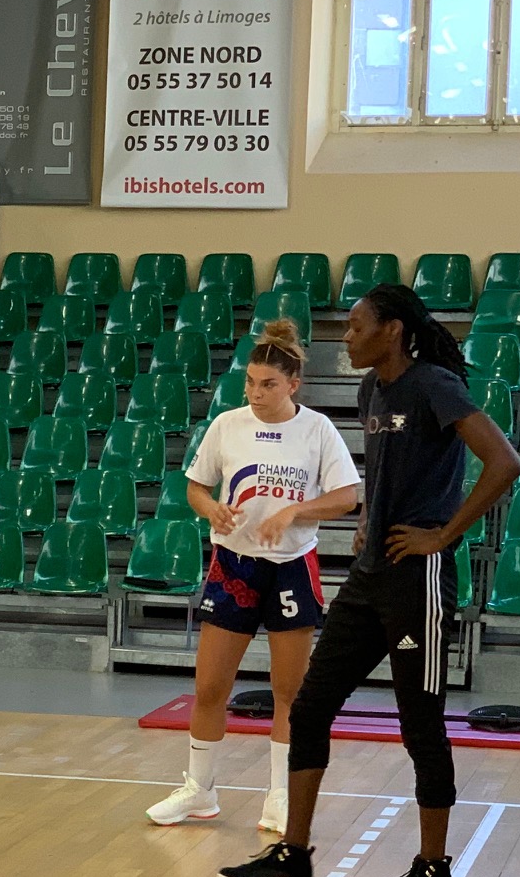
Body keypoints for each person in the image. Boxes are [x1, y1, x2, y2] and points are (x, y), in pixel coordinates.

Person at [220, 284, 520, 877]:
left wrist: (443, 534)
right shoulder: (370, 391)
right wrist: (369, 518)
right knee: (310, 707)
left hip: (419, 577)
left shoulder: (435, 384)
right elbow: (387, 471)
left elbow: (504, 461)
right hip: (370, 574)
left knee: (421, 724)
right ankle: (294, 854)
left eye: (358, 327)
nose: (347, 337)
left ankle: (433, 870)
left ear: (393, 331)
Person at [148, 320, 361, 834]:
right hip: (234, 565)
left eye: (268, 384)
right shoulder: (227, 425)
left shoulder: (317, 430)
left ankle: (279, 797)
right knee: (209, 687)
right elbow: (196, 487)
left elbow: (347, 496)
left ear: (293, 385)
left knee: (289, 691)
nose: (255, 392)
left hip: (291, 567)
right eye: (250, 382)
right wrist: (211, 509)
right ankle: (200, 790)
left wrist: (295, 512)